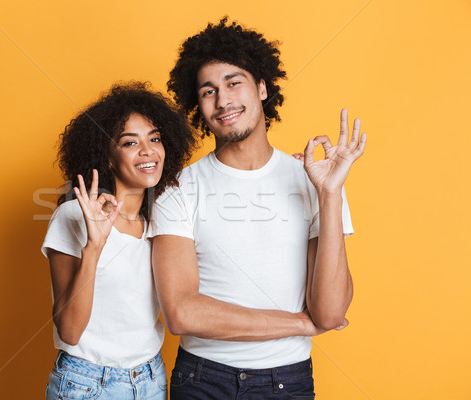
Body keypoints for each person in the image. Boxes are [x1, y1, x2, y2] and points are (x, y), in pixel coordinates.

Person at [147, 18, 367, 399]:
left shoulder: (315, 179)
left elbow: (329, 314)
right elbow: (183, 314)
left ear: (262, 87)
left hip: (289, 381)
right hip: (203, 380)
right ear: (198, 105)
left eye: (234, 83)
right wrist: (299, 324)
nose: (223, 100)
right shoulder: (177, 188)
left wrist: (330, 194)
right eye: (208, 91)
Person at [41, 82, 194, 400]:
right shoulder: (73, 217)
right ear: (107, 157)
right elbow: (69, 331)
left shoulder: (162, 222)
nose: (148, 151)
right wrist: (94, 247)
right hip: (89, 383)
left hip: (151, 378)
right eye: (130, 143)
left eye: (154, 138)